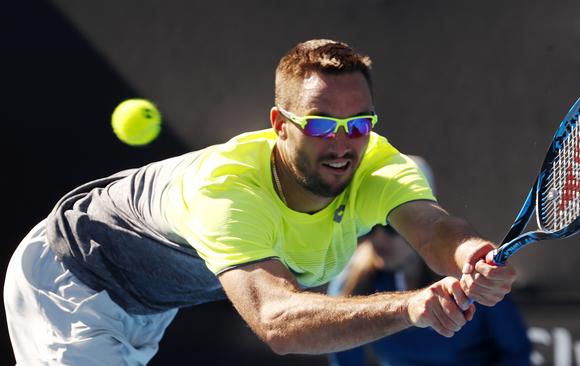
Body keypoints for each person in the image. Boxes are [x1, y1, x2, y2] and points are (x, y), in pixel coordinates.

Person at [4, 39, 516, 365]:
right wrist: (409, 307)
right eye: (320, 124)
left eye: (358, 124)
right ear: (279, 126)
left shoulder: (374, 163)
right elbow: (278, 322)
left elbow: (430, 227)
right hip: (72, 281)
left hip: (150, 297)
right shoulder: (228, 193)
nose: (342, 143)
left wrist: (467, 253)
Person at [327, 156, 532, 366]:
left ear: (420, 226)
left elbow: (516, 352)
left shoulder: (475, 279)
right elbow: (342, 355)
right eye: (370, 225)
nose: (378, 239)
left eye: (391, 227)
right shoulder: (350, 282)